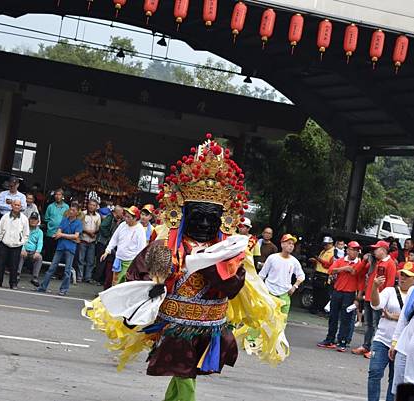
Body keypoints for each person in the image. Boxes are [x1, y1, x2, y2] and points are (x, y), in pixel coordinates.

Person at [85, 135, 289, 401]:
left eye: (211, 217)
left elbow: (233, 286)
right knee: (185, 372)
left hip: (208, 323)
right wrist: (156, 283)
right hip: (176, 324)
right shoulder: (166, 246)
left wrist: (208, 262)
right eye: (197, 216)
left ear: (222, 219)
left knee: (186, 372)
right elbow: (139, 275)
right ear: (182, 215)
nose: (204, 223)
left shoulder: (230, 250)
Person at [367, 263, 414, 401]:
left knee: (395, 380)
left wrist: (393, 316)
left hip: (402, 345)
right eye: (401, 274)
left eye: (407, 276)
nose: (402, 278)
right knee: (374, 373)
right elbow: (375, 304)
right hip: (382, 340)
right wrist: (374, 287)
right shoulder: (390, 291)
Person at [352, 240, 397, 358]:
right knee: (368, 324)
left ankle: (374, 349)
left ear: (383, 250)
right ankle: (366, 345)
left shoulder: (390, 264)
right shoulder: (375, 262)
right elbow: (358, 271)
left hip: (379, 299)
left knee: (377, 324)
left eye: (376, 249)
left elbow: (390, 284)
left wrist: (386, 301)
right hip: (369, 296)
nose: (374, 251)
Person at [317, 241, 363, 351]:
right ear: (348, 250)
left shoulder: (359, 264)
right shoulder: (341, 261)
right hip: (337, 291)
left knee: (346, 318)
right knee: (333, 316)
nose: (355, 252)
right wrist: (344, 269)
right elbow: (330, 270)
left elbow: (361, 281)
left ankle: (342, 341)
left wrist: (358, 297)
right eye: (353, 249)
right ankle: (330, 339)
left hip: (350, 293)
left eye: (356, 250)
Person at [38, 201, 82, 296]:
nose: (71, 211)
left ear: (77, 212)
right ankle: (43, 286)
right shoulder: (64, 220)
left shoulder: (78, 223)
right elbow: (61, 234)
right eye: (70, 209)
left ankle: (64, 289)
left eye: (73, 210)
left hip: (70, 248)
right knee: (52, 267)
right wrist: (66, 236)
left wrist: (62, 235)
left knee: (67, 270)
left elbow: (76, 236)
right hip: (61, 246)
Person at [258, 234, 305, 320]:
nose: (291, 246)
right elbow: (262, 275)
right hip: (269, 292)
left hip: (284, 294)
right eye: (289, 243)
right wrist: (260, 290)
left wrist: (294, 286)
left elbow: (301, 275)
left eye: (292, 244)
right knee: (264, 320)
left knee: (281, 322)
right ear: (282, 244)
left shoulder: (294, 261)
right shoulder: (272, 258)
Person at [100, 206, 147, 286]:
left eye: (128, 217)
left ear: (135, 218)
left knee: (124, 285)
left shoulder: (140, 229)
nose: (125, 218)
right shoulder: (122, 225)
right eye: (125, 216)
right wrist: (107, 251)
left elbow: (141, 249)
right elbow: (114, 239)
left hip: (130, 262)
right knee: (115, 283)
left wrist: (137, 264)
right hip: (118, 258)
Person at [0, 199, 30, 289]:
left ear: (20, 207)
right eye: (15, 205)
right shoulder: (5, 217)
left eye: (18, 205)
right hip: (4, 243)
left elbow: (26, 233)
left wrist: (22, 242)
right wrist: (0, 240)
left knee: (14, 265)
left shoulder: (24, 219)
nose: (17, 206)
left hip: (17, 245)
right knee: (1, 263)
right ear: (12, 206)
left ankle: (13, 283)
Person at [94, 205, 124, 288]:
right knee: (102, 262)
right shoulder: (110, 217)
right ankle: (98, 278)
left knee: (107, 263)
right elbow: (102, 226)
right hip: (103, 243)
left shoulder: (117, 220)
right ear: (117, 212)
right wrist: (108, 235)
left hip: (108, 244)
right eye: (121, 212)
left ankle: (102, 279)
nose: (122, 214)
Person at [78, 193, 101, 283]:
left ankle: (87, 277)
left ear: (96, 207)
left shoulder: (98, 216)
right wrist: (87, 232)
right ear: (88, 205)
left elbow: (99, 228)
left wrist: (93, 233)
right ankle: (79, 276)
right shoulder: (83, 214)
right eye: (90, 205)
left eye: (94, 205)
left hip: (92, 240)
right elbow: (79, 226)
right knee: (81, 259)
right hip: (83, 239)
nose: (91, 207)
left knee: (90, 261)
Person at [309, 236, 335, 313]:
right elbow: (320, 262)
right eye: (324, 244)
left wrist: (318, 259)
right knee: (316, 291)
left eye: (327, 244)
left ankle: (320, 309)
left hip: (325, 275)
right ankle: (315, 307)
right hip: (318, 273)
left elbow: (328, 265)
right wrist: (315, 260)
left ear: (331, 244)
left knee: (322, 293)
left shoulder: (333, 253)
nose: (325, 246)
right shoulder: (323, 251)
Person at [18, 212, 44, 287]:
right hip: (24, 249)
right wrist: (23, 249)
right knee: (20, 254)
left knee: (39, 258)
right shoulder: (24, 228)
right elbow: (21, 239)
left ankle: (35, 278)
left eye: (35, 219)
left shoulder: (40, 232)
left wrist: (37, 252)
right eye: (32, 219)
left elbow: (40, 243)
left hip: (33, 252)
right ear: (29, 220)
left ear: (38, 221)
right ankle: (17, 274)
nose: (33, 221)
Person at [43, 188, 69, 261]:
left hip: (61, 233)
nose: (57, 196)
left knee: (58, 252)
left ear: (62, 196)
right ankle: (46, 269)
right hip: (50, 233)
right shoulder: (50, 206)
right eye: (56, 195)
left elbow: (67, 220)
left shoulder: (66, 207)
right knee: (49, 252)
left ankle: (56, 269)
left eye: (59, 194)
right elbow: (46, 219)